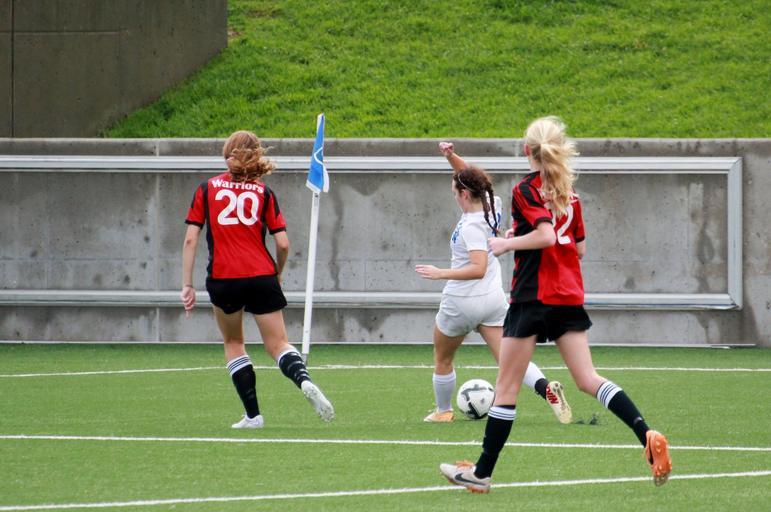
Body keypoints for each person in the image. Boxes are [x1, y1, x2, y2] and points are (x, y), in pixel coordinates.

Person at [439, 117, 671, 492]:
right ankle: (646, 433)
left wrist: (507, 243)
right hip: (568, 295)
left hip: (532, 296)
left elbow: (546, 236)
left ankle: (481, 474)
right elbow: (578, 248)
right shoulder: (568, 192)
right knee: (588, 379)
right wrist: (522, 234)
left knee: (506, 388)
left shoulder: (525, 189)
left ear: (526, 150)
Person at [181, 130, 334, 429]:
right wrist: (277, 272)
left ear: (227, 152)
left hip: (224, 278)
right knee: (278, 344)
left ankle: (253, 416)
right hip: (262, 275)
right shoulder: (264, 192)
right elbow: (283, 243)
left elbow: (190, 239)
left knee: (234, 342)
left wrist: (187, 284)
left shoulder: (206, 189)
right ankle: (303, 380)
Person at [416, 141, 571, 425]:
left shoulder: (471, 226)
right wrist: (451, 157)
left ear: (464, 194)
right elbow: (471, 177)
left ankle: (443, 411)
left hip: (461, 302)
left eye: (455, 192)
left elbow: (478, 268)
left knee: (443, 358)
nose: (455, 196)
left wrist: (440, 273)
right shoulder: (492, 204)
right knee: (510, 359)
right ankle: (545, 388)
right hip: (492, 301)